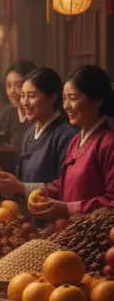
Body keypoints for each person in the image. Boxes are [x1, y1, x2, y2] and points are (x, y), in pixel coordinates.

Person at [20, 65, 114, 220]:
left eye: (73, 98)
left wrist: (68, 209)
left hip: (94, 238)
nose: (66, 106)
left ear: (96, 100)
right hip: (69, 234)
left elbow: (111, 202)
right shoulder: (77, 140)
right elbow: (63, 184)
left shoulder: (108, 143)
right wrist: (40, 193)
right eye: (64, 98)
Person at [0, 68, 77, 197]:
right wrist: (1, 176)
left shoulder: (66, 136)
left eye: (32, 96)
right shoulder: (31, 132)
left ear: (52, 96)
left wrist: (20, 187)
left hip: (53, 214)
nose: (24, 102)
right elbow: (22, 181)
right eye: (22, 96)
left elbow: (66, 186)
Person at [0, 61, 37, 153]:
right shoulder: (5, 115)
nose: (12, 91)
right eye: (9, 86)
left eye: (18, 85)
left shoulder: (39, 116)